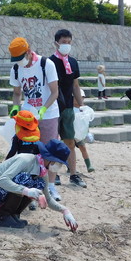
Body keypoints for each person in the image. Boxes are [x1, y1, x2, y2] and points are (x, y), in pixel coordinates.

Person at [0, 139, 78, 231]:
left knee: (38, 183)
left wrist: (65, 211)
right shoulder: (26, 159)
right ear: (51, 159)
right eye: (59, 163)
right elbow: (3, 180)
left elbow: (48, 199)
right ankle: (4, 216)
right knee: (25, 179)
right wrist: (27, 191)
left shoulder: (42, 172)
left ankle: (13, 214)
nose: (59, 166)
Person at [7, 37, 62, 201]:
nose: (19, 62)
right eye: (16, 60)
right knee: (29, 153)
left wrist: (44, 109)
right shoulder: (16, 69)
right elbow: (17, 94)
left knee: (50, 152)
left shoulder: (46, 64)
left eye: (21, 58)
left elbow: (54, 92)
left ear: (29, 52)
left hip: (49, 114)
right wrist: (16, 107)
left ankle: (50, 186)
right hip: (28, 117)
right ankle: (31, 188)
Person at [49, 29, 86, 189]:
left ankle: (73, 174)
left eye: (69, 42)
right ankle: (54, 174)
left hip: (69, 107)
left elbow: (75, 85)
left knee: (70, 141)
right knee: (53, 141)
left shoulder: (73, 62)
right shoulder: (49, 62)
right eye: (64, 42)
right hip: (53, 107)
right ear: (56, 43)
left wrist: (81, 104)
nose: (67, 45)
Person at [74, 90, 95, 172]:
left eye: (81, 97)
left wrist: (87, 132)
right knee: (69, 149)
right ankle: (70, 167)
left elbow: (86, 123)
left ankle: (89, 165)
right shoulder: (70, 109)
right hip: (71, 132)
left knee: (83, 148)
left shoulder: (85, 109)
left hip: (80, 133)